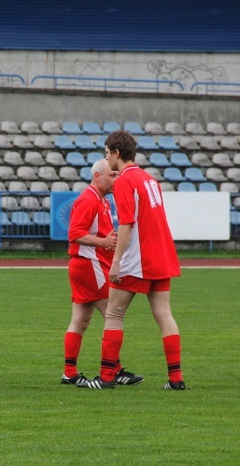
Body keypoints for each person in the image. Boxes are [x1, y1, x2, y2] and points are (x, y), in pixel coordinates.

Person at [82, 130, 185, 390]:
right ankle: (176, 380)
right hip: (162, 256)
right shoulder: (150, 179)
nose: (106, 158)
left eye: (107, 153)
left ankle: (106, 378)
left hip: (138, 258)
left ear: (117, 153)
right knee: (164, 315)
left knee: (114, 315)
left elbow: (127, 223)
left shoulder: (125, 180)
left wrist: (116, 262)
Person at [62, 159, 143, 387]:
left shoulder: (100, 199)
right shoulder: (88, 199)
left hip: (87, 265)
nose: (115, 180)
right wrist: (103, 242)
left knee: (81, 320)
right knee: (113, 313)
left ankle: (69, 372)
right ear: (98, 176)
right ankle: (113, 370)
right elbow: (74, 234)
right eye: (112, 175)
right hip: (90, 265)